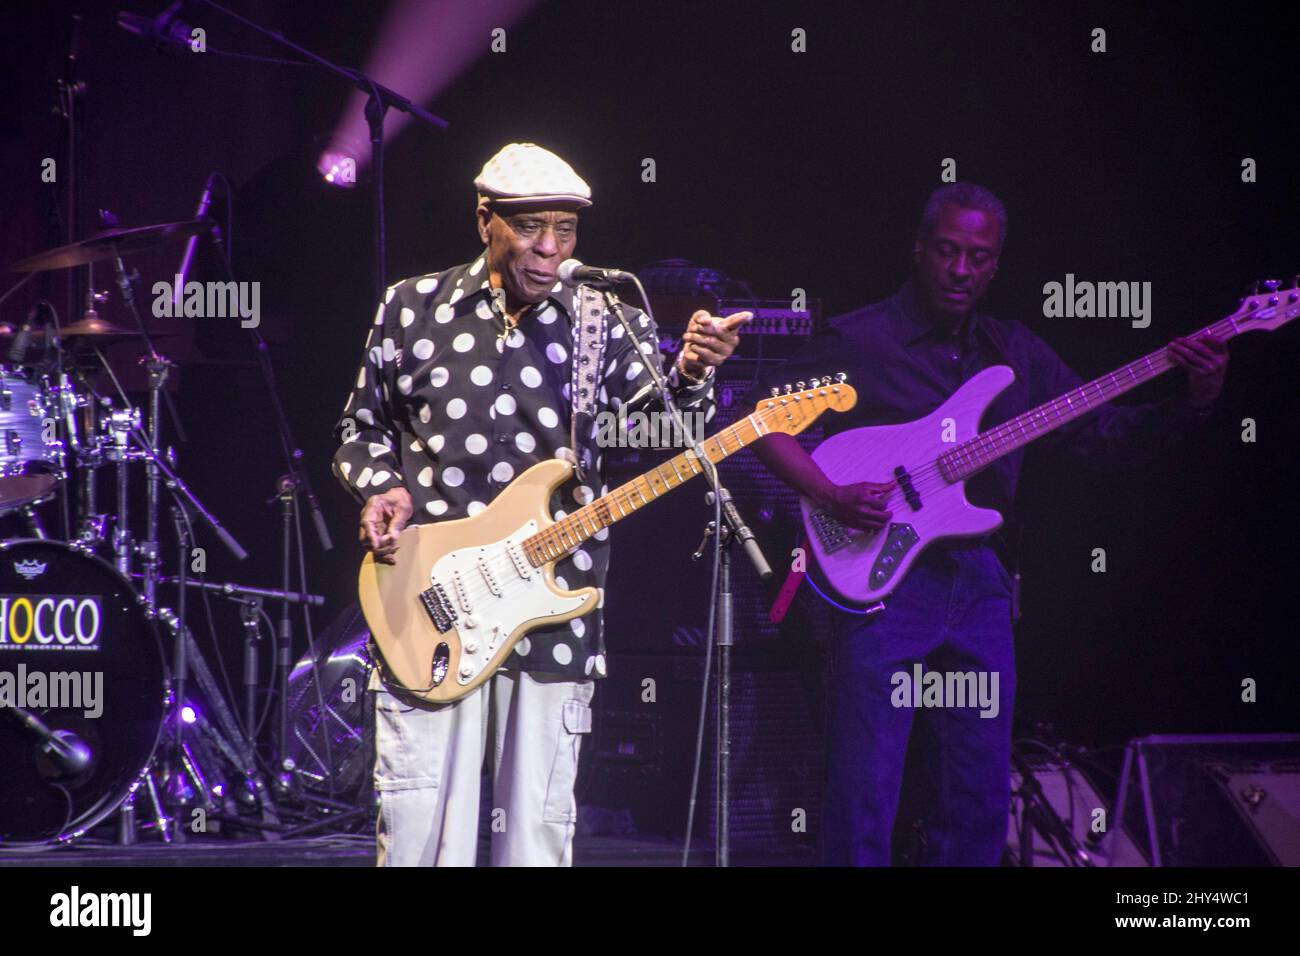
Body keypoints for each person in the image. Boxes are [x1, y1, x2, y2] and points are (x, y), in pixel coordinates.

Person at [745, 182, 1228, 866]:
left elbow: (1105, 437)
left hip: (981, 585)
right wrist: (827, 493)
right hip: (886, 584)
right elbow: (761, 422)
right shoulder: (861, 339)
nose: (961, 269)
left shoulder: (1016, 354)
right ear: (919, 250)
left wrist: (1196, 399)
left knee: (977, 791)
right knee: (866, 785)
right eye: (947, 251)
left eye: (978, 257)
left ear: (996, 266)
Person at [332, 143, 748, 866]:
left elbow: (657, 429)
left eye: (566, 229)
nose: (550, 249)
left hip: (552, 609)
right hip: (431, 602)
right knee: (421, 830)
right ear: (486, 221)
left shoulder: (603, 319)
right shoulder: (412, 307)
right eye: (530, 227)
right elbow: (358, 428)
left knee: (535, 835)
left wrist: (688, 370)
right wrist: (380, 487)